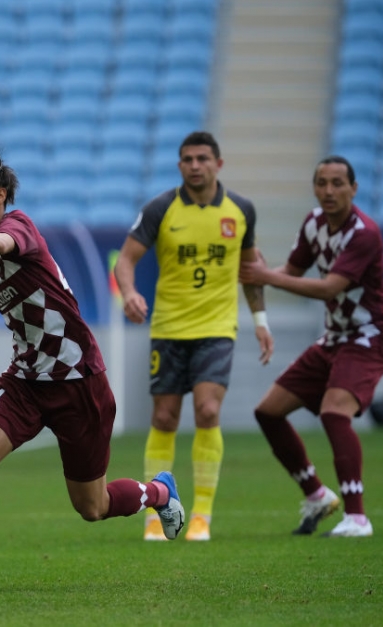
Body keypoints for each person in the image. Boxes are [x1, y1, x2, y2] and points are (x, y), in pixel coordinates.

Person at [0, 150, 185, 591]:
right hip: (26, 380)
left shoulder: (19, 227)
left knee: (93, 506)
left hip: (79, 381)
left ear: (0, 196)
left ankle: (159, 492)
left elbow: (2, 245)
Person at [113, 131, 274, 542]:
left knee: (206, 411)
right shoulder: (161, 209)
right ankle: (156, 510)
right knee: (164, 417)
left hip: (217, 329)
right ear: (180, 165)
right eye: (187, 159)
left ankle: (201, 514)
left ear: (218, 164)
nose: (195, 165)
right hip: (168, 328)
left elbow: (252, 270)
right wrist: (130, 293)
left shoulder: (241, 210)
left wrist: (260, 320)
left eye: (203, 158)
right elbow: (126, 260)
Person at [239, 155, 383, 538]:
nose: (328, 190)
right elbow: (290, 273)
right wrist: (261, 270)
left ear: (354, 189)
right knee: (268, 412)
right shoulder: (313, 223)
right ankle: (317, 495)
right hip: (334, 337)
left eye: (337, 183)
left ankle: (357, 518)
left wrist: (265, 277)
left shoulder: (364, 233)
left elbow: (328, 287)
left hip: (368, 336)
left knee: (333, 412)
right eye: (322, 182)